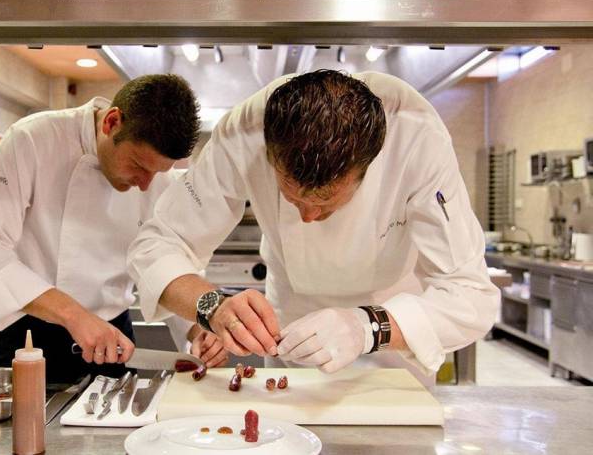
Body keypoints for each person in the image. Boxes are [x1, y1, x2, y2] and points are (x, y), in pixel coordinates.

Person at [128, 69, 500, 382]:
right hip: (290, 334)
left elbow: (470, 294)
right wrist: (212, 306)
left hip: (392, 341)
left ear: (365, 169)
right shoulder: (244, 132)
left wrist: (366, 327)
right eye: (293, 199)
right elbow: (158, 245)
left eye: (323, 204)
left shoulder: (417, 138)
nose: (307, 218)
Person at [0, 74, 227, 383]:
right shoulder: (32, 139)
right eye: (139, 166)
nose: (145, 184)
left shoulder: (155, 179)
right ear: (111, 123)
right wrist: (73, 314)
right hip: (30, 340)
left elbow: (163, 262)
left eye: (157, 173)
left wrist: (197, 327)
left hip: (113, 344)